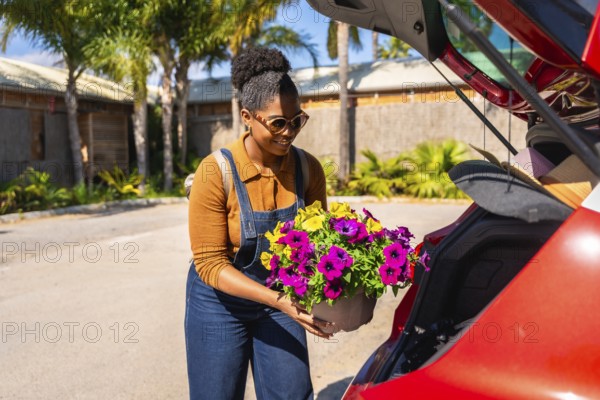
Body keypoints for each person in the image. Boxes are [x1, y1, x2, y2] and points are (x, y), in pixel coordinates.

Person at [185, 47, 330, 400]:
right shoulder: (214, 172)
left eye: (297, 120)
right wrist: (278, 299)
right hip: (219, 303)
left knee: (292, 393)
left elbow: (319, 243)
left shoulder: (308, 169)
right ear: (247, 116)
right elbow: (210, 264)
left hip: (280, 299)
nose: (289, 132)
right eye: (278, 122)